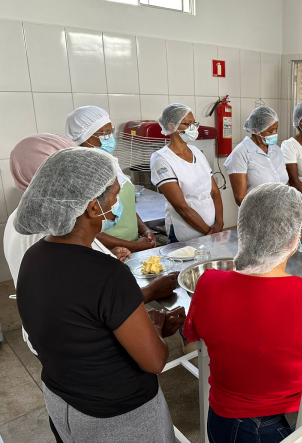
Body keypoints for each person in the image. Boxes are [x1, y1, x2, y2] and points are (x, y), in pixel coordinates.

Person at [15, 147, 186, 443]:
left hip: (62, 402)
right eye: (114, 196)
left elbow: (79, 326)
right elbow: (155, 361)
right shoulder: (106, 273)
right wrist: (155, 325)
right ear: (94, 208)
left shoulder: (34, 256)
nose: (117, 203)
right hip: (119, 417)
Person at [183, 183, 302, 442]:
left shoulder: (208, 284)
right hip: (301, 417)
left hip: (229, 422)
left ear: (243, 231)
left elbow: (193, 333)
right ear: (294, 239)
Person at [4, 133, 179, 342]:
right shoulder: (50, 228)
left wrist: (107, 254)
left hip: (51, 333)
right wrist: (150, 294)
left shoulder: (24, 218)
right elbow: (81, 298)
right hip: (71, 338)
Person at [65, 106, 157, 253]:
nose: (110, 137)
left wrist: (145, 231)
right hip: (105, 251)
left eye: (111, 131)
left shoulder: (110, 163)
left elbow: (125, 207)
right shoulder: (82, 172)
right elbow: (82, 228)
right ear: (85, 136)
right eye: (105, 133)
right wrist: (134, 246)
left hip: (132, 245)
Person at [151, 103, 224, 243]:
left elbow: (214, 192)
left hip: (211, 227)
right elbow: (181, 206)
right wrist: (208, 232)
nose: (193, 128)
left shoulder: (196, 152)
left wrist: (219, 223)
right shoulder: (162, 159)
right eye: (187, 124)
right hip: (185, 231)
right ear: (172, 127)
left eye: (194, 123)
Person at [224, 106, 289, 206]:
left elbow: (285, 183)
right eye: (270, 131)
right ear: (255, 130)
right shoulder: (241, 153)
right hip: (257, 215)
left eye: (276, 129)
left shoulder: (276, 150)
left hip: (282, 211)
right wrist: (267, 211)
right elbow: (240, 198)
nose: (275, 133)